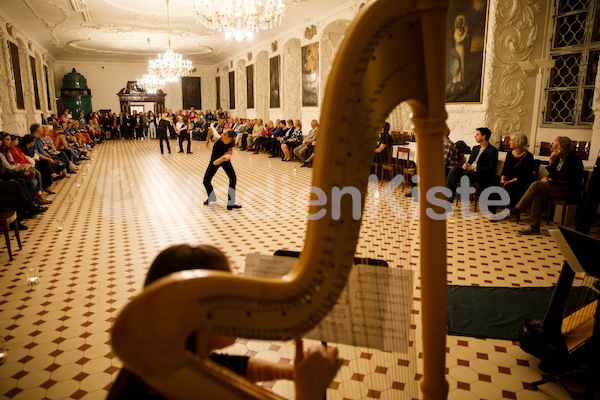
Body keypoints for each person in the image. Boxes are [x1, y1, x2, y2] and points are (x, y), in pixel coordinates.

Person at [107, 244, 342, 400]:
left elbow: (226, 366)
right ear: (191, 314)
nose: (239, 305)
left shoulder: (167, 355)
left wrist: (293, 372)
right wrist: (308, 393)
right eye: (227, 297)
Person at [509, 136, 584, 235]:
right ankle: (534, 226)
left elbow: (561, 177)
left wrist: (551, 162)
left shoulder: (573, 160)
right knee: (538, 193)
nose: (552, 149)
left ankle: (517, 209)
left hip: (568, 189)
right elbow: (555, 175)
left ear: (562, 149)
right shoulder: (560, 157)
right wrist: (547, 178)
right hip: (557, 186)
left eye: (555, 147)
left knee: (536, 185)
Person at [488, 133, 534, 221]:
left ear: (518, 142)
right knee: (493, 186)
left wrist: (508, 182)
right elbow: (505, 169)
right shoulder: (509, 154)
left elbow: (524, 175)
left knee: (511, 188)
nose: (509, 142)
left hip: (520, 181)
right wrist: (503, 179)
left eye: (512, 140)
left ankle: (512, 210)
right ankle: (492, 212)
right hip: (508, 179)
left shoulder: (528, 156)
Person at [445, 127, 498, 202]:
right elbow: (470, 161)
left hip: (480, 173)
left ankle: (448, 198)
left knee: (454, 174)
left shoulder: (492, 150)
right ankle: (448, 196)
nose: (475, 136)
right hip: (469, 171)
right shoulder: (475, 148)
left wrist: (474, 168)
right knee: (454, 169)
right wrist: (466, 164)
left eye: (477, 134)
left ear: (484, 136)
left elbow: (490, 168)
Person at [204, 124, 241, 210]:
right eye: (223, 133)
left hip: (223, 161)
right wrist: (207, 140)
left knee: (233, 178)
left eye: (224, 134)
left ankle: (231, 203)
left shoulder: (231, 146)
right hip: (214, 160)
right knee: (206, 181)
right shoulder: (218, 138)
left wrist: (224, 158)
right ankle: (211, 197)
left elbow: (226, 156)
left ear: (230, 138)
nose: (222, 135)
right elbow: (211, 128)